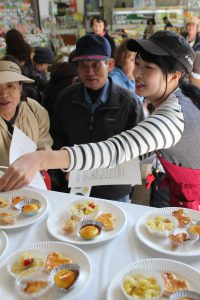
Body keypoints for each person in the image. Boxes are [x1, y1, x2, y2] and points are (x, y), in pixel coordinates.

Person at [1, 31, 200, 212]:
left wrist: (39, 159)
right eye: (137, 63)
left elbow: (115, 149)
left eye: (148, 67)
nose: (137, 73)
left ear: (174, 76)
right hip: (180, 189)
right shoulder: (177, 98)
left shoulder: (171, 117)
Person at [49, 34, 144, 202]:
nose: (90, 72)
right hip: (75, 185)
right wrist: (64, 165)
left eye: (95, 65)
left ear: (110, 65)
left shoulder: (128, 103)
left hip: (114, 190)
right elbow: (56, 136)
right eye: (83, 66)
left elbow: (139, 147)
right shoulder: (65, 98)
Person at [0, 60, 53, 170]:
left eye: (10, 86)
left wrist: (40, 163)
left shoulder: (34, 109)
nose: (4, 94)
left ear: (20, 87)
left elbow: (44, 142)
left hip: (33, 181)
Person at [109, 38, 143, 103]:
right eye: (132, 59)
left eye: (139, 61)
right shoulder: (113, 80)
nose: (137, 65)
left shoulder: (134, 79)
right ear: (122, 59)